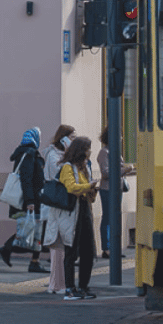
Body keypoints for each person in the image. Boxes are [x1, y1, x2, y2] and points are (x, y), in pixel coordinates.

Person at [55, 136, 100, 300]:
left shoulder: (85, 168)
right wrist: (89, 186)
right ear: (81, 150)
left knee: (88, 251)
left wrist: (92, 189)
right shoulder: (67, 167)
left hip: (85, 209)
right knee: (71, 250)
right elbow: (71, 187)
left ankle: (83, 286)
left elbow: (87, 191)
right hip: (72, 211)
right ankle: (70, 288)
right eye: (88, 148)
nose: (90, 151)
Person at [0, 127, 47, 272]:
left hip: (34, 198)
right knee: (32, 230)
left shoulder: (27, 153)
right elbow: (26, 180)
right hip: (31, 200)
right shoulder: (28, 154)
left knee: (35, 230)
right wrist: (30, 201)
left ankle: (33, 260)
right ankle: (10, 249)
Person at [40, 124, 75, 294]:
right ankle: (56, 284)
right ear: (64, 138)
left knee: (61, 245)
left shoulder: (61, 155)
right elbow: (60, 173)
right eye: (71, 137)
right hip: (57, 204)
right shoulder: (53, 155)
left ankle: (58, 283)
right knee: (57, 245)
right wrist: (69, 152)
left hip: (61, 204)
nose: (73, 140)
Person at [96, 127, 134, 260]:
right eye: (119, 136)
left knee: (115, 218)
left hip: (117, 188)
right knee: (108, 218)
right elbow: (106, 172)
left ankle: (114, 247)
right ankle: (106, 249)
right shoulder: (104, 152)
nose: (121, 139)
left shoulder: (115, 152)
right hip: (107, 189)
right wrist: (125, 169)